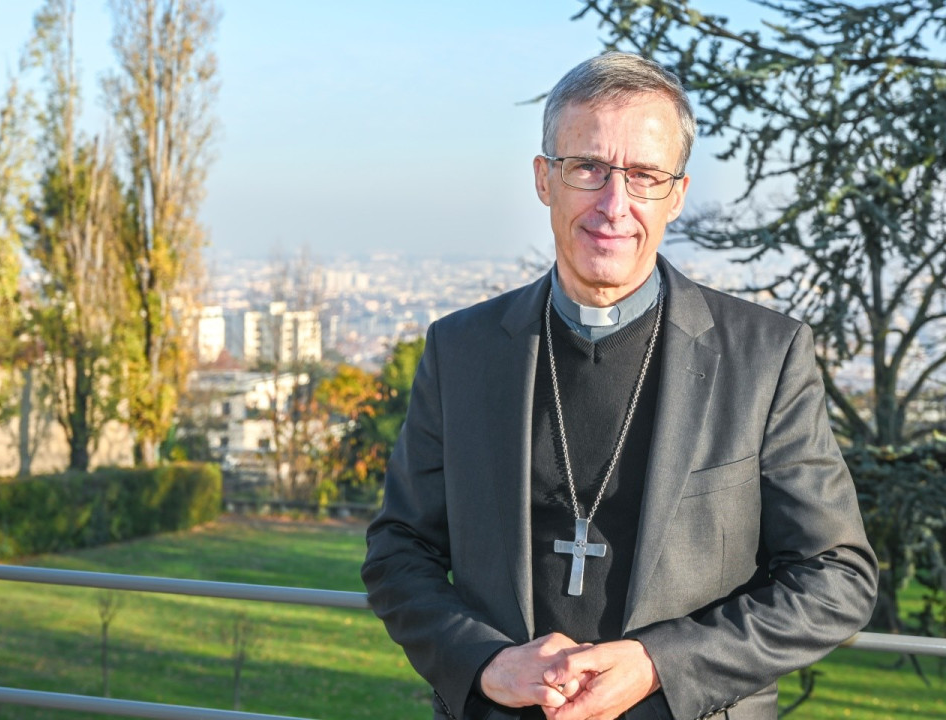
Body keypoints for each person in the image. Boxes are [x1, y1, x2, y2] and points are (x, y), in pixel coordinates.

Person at [361, 52, 878, 720]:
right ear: (545, 179)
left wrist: (660, 663)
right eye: (588, 169)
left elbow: (836, 577)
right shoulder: (461, 350)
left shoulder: (766, 356)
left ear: (678, 195)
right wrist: (485, 662)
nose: (615, 205)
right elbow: (400, 552)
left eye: (643, 175)